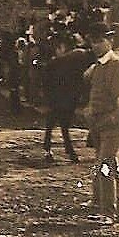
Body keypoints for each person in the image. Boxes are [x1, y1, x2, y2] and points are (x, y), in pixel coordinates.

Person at [82, 23, 119, 224]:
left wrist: (114, 118)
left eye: (99, 41)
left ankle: (110, 212)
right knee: (102, 163)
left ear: (110, 41)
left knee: (106, 164)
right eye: (93, 41)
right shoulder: (97, 66)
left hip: (111, 122)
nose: (95, 45)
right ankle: (99, 202)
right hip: (97, 122)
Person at [42, 33, 91, 163]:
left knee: (56, 121)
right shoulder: (81, 55)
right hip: (67, 92)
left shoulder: (59, 60)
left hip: (59, 92)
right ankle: (64, 149)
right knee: (62, 121)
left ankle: (51, 148)